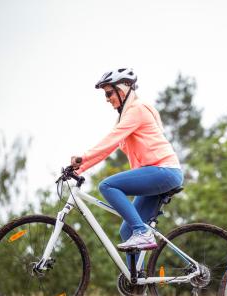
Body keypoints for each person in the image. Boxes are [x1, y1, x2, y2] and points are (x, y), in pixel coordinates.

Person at [71, 68, 183, 252]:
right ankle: (136, 279)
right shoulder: (125, 116)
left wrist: (82, 159)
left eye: (108, 93)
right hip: (158, 173)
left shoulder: (137, 109)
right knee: (126, 231)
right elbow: (108, 149)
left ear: (122, 90)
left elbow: (111, 140)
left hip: (165, 171)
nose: (107, 99)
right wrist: (78, 170)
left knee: (107, 186)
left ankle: (142, 232)